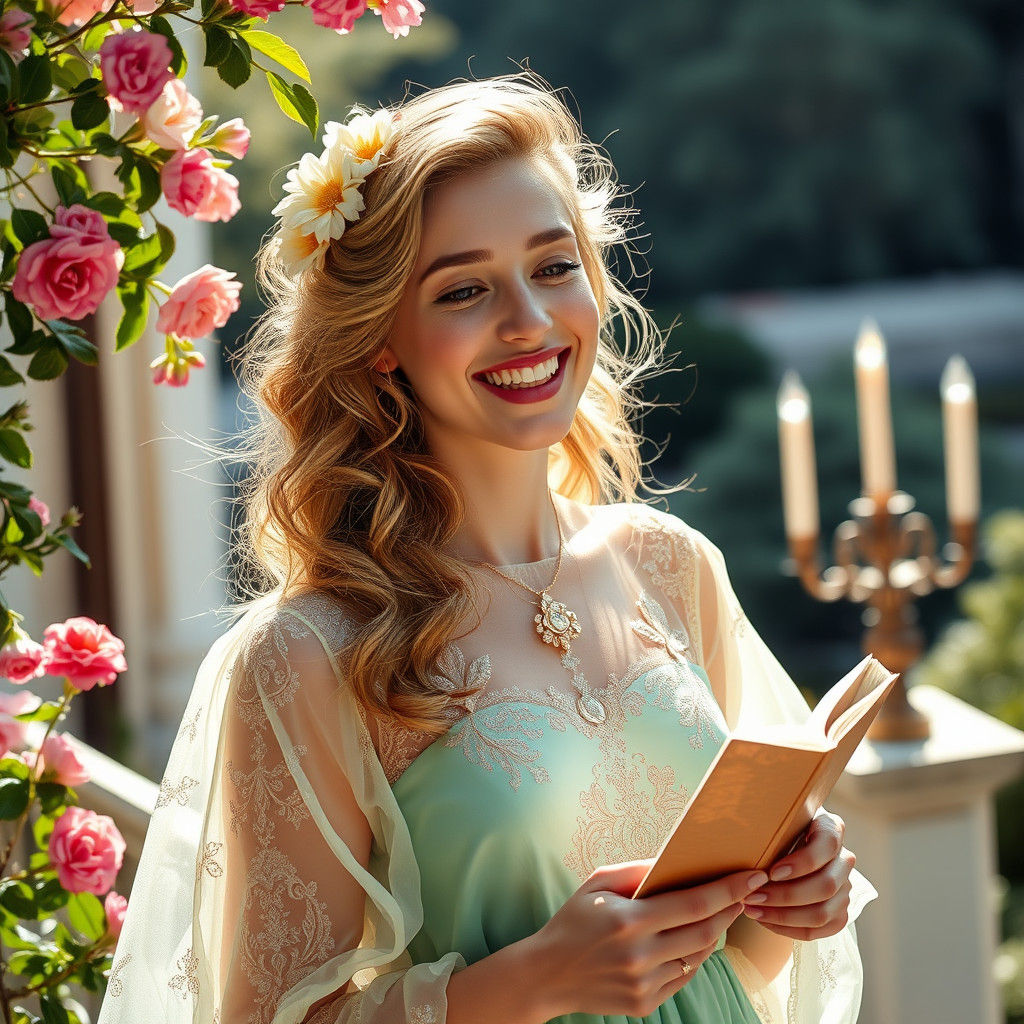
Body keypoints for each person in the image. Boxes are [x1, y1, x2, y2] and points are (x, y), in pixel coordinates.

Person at [96, 71, 876, 1024]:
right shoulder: (311, 656)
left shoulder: (669, 567)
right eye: (464, 289)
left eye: (554, 267)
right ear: (382, 335)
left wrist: (791, 903)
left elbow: (723, 973)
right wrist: (531, 981)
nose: (531, 323)